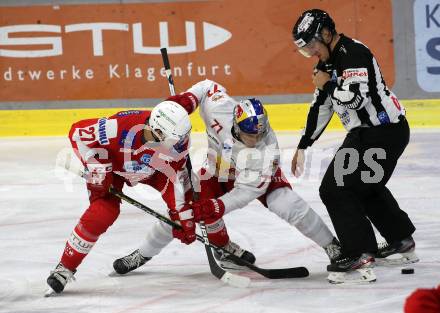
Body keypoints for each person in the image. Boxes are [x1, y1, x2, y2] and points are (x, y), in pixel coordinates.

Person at [113, 79, 341, 273]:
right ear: (236, 124)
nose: (257, 138)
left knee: (288, 204)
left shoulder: (266, 151)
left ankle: (332, 246)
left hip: (249, 180)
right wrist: (187, 100)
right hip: (214, 172)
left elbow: (247, 191)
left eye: (261, 132)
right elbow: (206, 87)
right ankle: (144, 254)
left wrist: (217, 206)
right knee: (181, 212)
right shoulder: (220, 109)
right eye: (251, 134)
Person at [291, 9, 417, 283]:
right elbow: (321, 107)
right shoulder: (325, 65)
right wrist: (304, 144)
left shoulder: (353, 54)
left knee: (335, 188)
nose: (312, 53)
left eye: (312, 45)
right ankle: (400, 239)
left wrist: (327, 85)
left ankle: (359, 252)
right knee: (364, 186)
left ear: (326, 33)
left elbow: (356, 99)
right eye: (306, 49)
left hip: (383, 133)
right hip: (370, 134)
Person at [46, 100, 202, 294]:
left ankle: (145, 254)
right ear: (157, 131)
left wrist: (181, 211)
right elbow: (77, 132)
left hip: (157, 172)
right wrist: (96, 166)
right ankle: (65, 267)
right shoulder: (118, 128)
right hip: (113, 169)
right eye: (174, 140)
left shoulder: (178, 141)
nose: (178, 145)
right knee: (103, 212)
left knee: (186, 211)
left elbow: (175, 178)